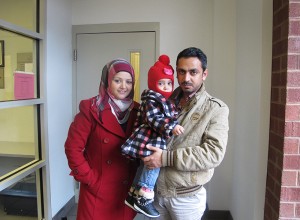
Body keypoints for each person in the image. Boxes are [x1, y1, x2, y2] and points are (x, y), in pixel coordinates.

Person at [142, 47, 229, 220]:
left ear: (204, 74)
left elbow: (213, 154)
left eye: (193, 72)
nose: (186, 78)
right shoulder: (162, 101)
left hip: (187, 199)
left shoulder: (216, 108)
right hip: (156, 195)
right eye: (181, 72)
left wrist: (166, 158)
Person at [64, 59, 140, 220]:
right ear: (107, 81)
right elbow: (73, 148)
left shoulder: (137, 110)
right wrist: (90, 179)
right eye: (117, 80)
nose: (123, 86)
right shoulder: (91, 109)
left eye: (128, 82)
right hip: (97, 192)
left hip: (125, 191)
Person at [121, 55, 184, 218]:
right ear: (152, 84)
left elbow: (168, 114)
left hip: (152, 138)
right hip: (150, 139)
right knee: (153, 166)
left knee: (144, 166)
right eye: (161, 83)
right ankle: (144, 198)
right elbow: (154, 119)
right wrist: (172, 126)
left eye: (169, 83)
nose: (165, 86)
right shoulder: (151, 99)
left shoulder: (163, 100)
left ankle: (133, 194)